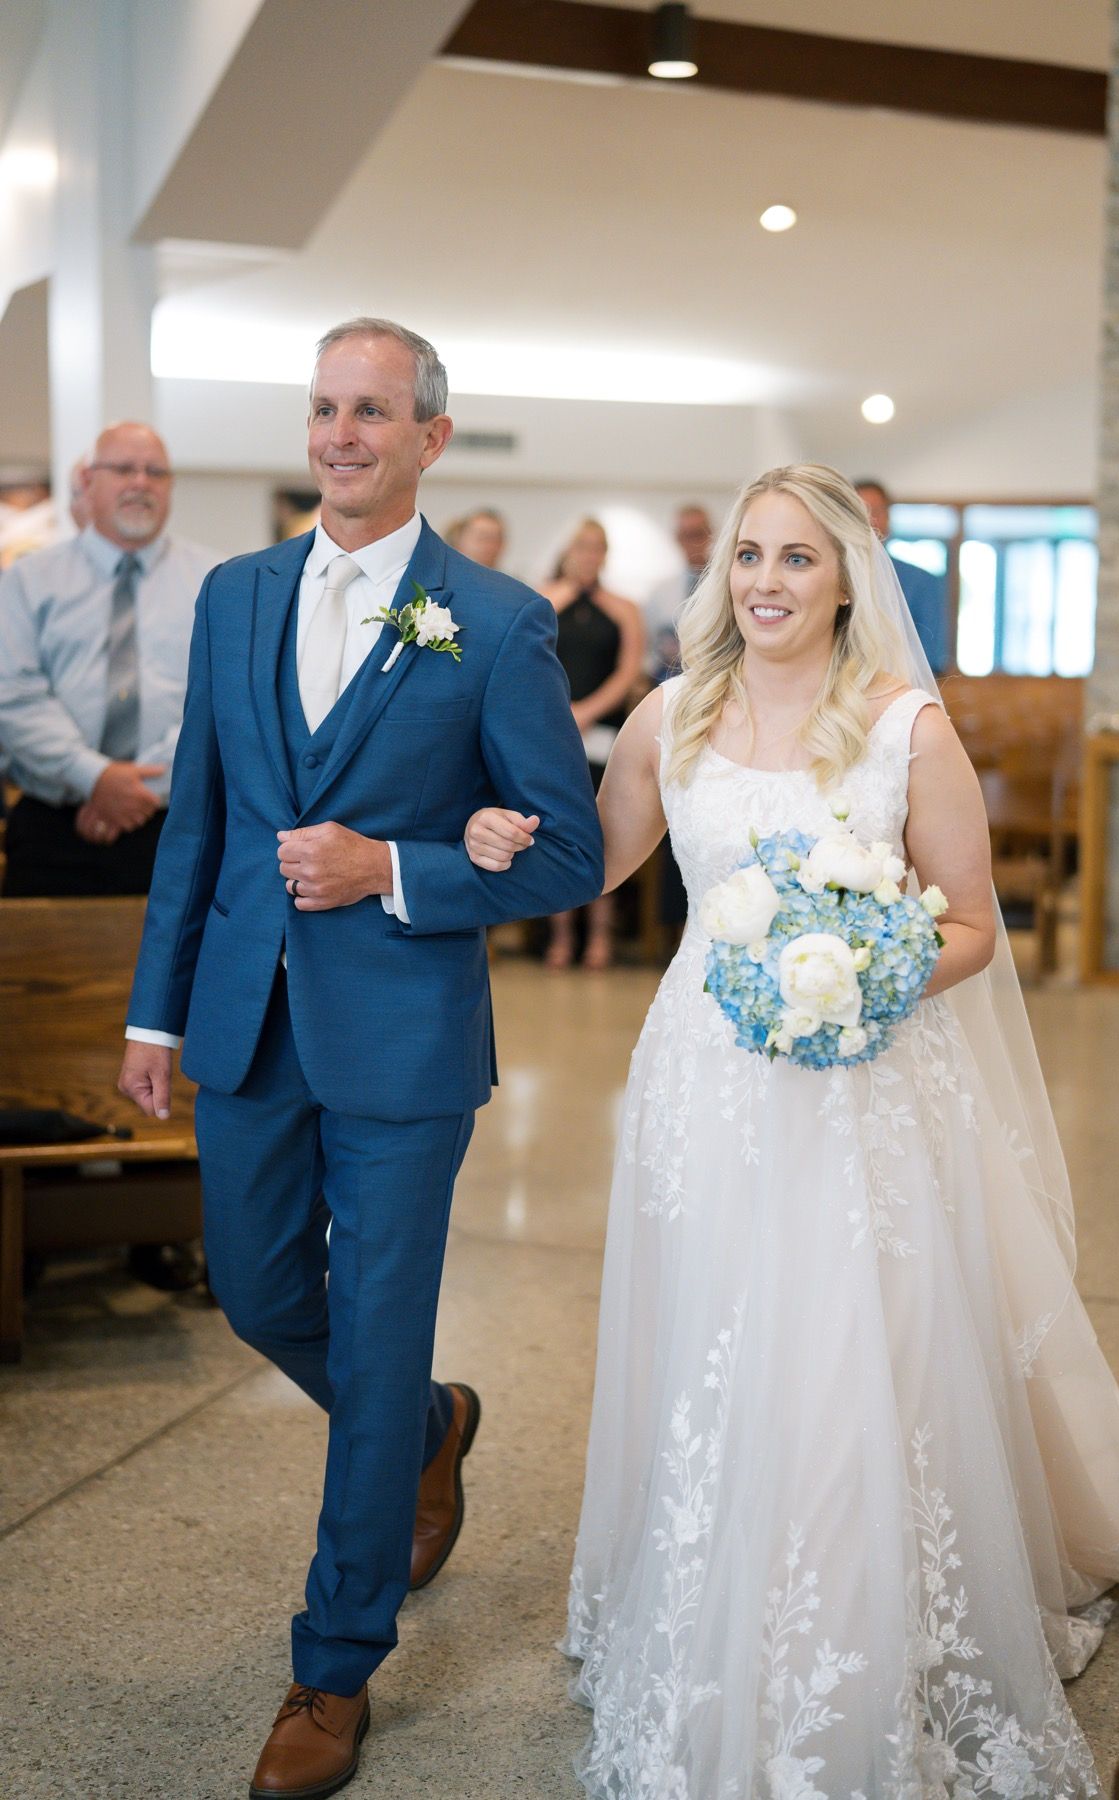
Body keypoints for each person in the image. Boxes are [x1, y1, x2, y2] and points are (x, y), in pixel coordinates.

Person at [464, 464, 1119, 1794]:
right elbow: (597, 865)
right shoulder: (672, 716)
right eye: (749, 555)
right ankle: (708, 1598)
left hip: (863, 1081)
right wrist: (492, 836)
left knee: (850, 1342)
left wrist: (865, 976)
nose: (767, 582)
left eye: (798, 558)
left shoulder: (904, 727)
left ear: (848, 578)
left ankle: (853, 1618)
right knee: (717, 1337)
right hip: (703, 1081)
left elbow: (970, 926)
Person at [117, 317, 603, 1800]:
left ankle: (333, 1668)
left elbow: (567, 851)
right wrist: (155, 1014)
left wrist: (393, 865)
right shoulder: (238, 595)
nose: (341, 434)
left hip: (402, 1041)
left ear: (429, 438)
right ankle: (431, 1429)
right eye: (326, 407)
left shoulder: (493, 621)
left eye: (373, 411)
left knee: (377, 1335)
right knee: (261, 1293)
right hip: (246, 1020)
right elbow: (201, 818)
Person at [0, 424, 215, 897]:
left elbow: (220, 702)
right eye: (123, 469)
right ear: (87, 481)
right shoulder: (26, 581)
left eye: (155, 472)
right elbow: (13, 697)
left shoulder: (216, 581)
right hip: (52, 829)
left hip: (178, 826)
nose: (140, 482)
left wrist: (139, 791)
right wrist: (93, 777)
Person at [540, 519, 643, 969]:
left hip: (602, 729)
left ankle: (600, 936)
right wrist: (564, 711)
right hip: (554, 726)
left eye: (597, 547)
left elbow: (627, 670)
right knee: (555, 826)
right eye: (582, 546)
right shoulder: (546, 599)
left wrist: (588, 710)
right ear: (568, 550)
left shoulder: (622, 608)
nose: (589, 554)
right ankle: (560, 937)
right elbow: (530, 658)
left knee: (601, 829)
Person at [856, 476, 950, 673]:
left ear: (888, 517)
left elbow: (932, 654)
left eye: (876, 512)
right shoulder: (828, 575)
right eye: (859, 512)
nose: (869, 520)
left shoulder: (921, 582)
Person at [641, 503, 713, 681]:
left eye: (698, 534)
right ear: (677, 538)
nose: (693, 542)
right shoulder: (661, 592)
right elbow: (649, 644)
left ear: (710, 534)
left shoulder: (729, 585)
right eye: (686, 535)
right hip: (669, 679)